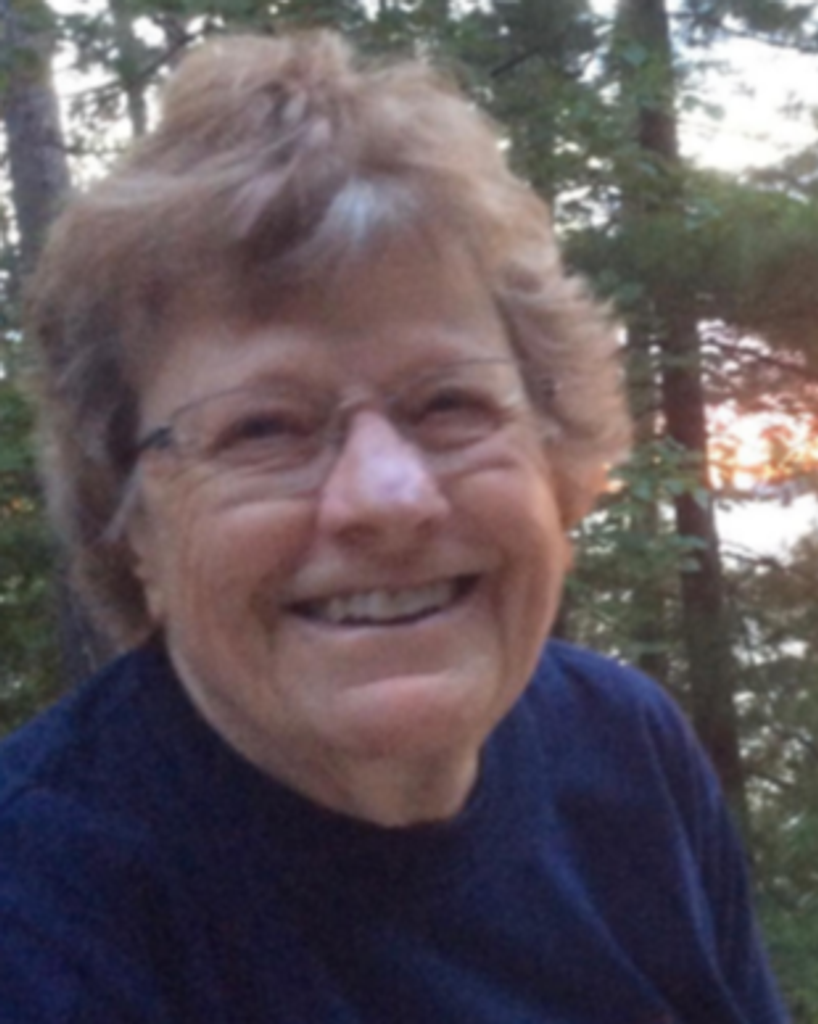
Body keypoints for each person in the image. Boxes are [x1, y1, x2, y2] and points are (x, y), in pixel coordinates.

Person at [0, 30, 787, 1024]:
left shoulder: (625, 752)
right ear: (132, 531)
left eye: (450, 404)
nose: (388, 497)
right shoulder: (41, 918)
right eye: (264, 428)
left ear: (553, 453)